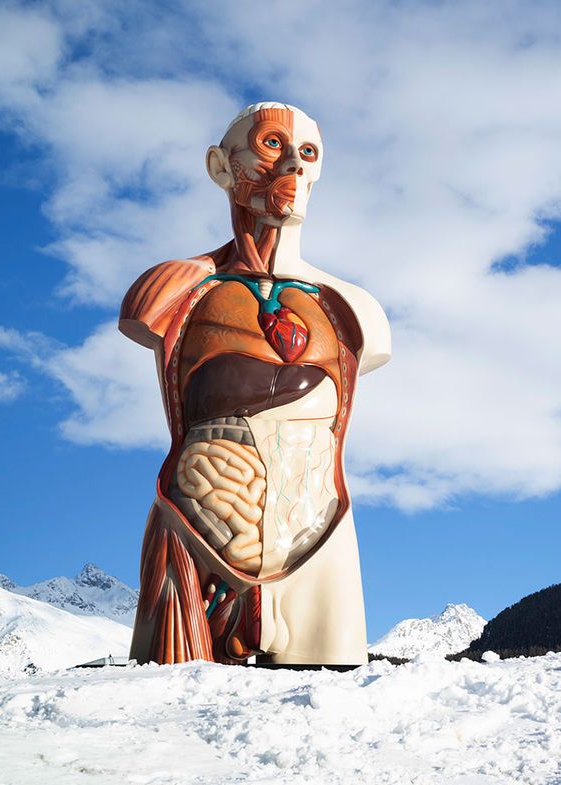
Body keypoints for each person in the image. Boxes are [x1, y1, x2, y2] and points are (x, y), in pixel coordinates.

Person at [118, 102, 390, 666]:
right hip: (202, 522)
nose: (292, 162)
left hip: (320, 521)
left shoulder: (357, 309)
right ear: (221, 166)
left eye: (307, 152)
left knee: (325, 689)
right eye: (271, 144)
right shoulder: (172, 289)